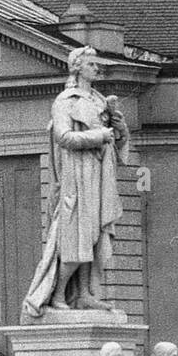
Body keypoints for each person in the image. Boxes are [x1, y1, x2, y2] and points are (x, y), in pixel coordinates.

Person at [21, 46, 130, 318]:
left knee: (92, 236)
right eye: (92, 64)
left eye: (97, 64)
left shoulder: (99, 101)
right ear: (77, 67)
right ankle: (57, 295)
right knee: (75, 239)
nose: (97, 68)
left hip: (97, 176)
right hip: (76, 178)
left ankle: (84, 295)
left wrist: (119, 129)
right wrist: (99, 136)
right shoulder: (64, 101)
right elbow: (63, 137)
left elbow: (116, 141)